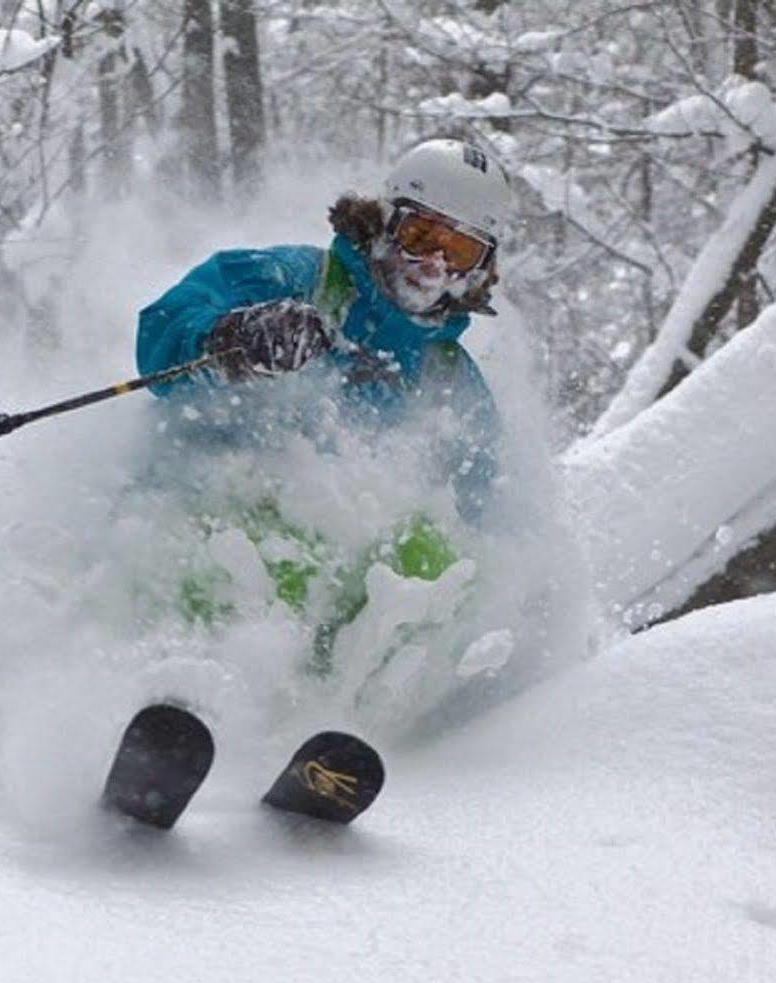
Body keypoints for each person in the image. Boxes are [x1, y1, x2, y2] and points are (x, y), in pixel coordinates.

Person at [130, 138, 516, 664]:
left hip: (330, 602)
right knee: (286, 548)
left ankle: (356, 717)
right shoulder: (295, 280)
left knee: (435, 561)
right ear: (384, 223)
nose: (432, 265)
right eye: (420, 236)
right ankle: (188, 686)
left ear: (478, 270)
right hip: (205, 521)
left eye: (459, 253)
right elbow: (160, 335)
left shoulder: (446, 376)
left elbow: (485, 508)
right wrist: (233, 336)